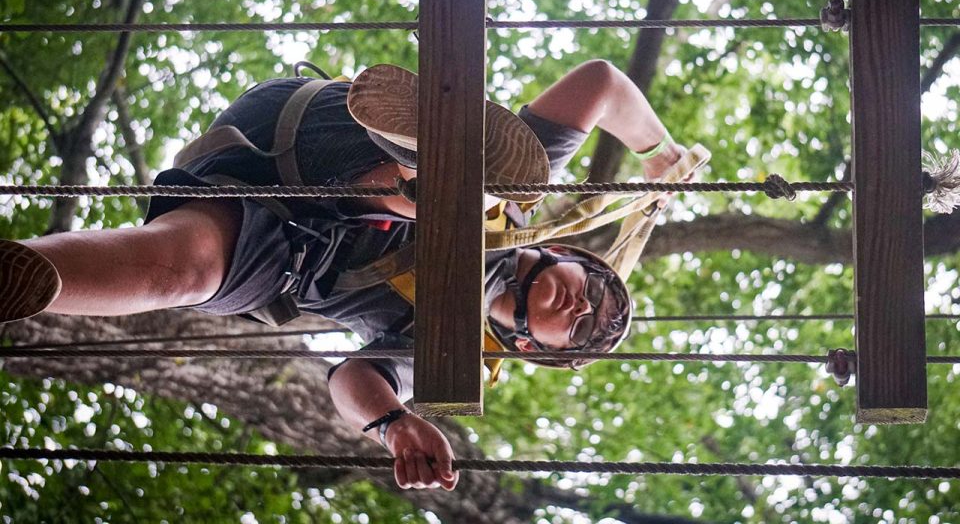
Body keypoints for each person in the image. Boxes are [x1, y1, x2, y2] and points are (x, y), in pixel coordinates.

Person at [0, 59, 687, 491]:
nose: (582, 304)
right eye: (591, 290)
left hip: (280, 242)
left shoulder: (446, 353)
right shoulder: (523, 202)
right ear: (568, 256)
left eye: (582, 326)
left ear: (534, 348)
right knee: (497, 188)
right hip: (315, 134)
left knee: (179, 272)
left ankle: (21, 276)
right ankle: (423, 164)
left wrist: (393, 425)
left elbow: (354, 380)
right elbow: (601, 84)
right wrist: (658, 152)